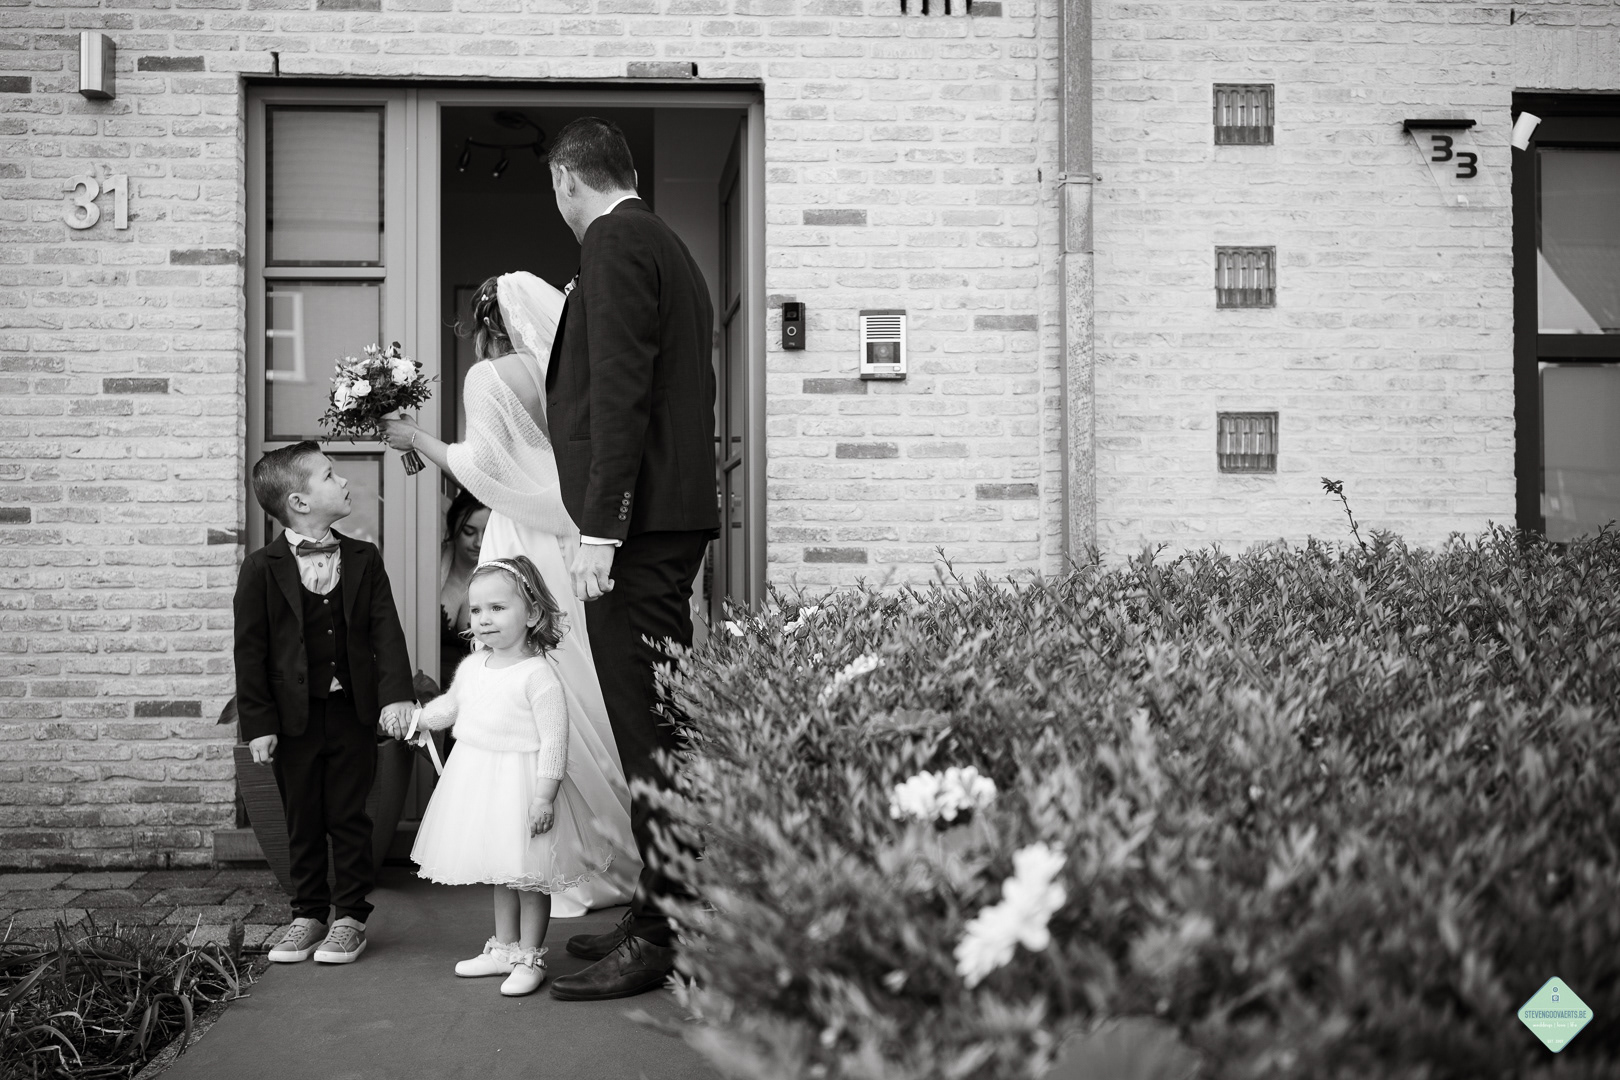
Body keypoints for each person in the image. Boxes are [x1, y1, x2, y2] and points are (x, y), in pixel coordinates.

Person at [381, 273, 639, 919]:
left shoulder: (489, 377)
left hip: (521, 537)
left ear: (487, 325)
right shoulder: (576, 374)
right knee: (585, 679)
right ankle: (629, 849)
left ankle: (559, 859)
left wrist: (416, 440)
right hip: (577, 541)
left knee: (527, 676)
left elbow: (484, 470)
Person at [540, 116, 719, 1002]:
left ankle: (666, 933)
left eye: (556, 190)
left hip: (637, 529)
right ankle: (662, 905)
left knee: (649, 729)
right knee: (660, 723)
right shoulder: (667, 245)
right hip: (664, 521)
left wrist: (601, 529)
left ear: (568, 181)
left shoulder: (613, 242)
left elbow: (619, 390)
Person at [233, 443, 417, 966]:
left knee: (349, 815)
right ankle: (308, 915)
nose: (343, 481)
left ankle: (350, 917)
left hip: (349, 712)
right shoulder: (260, 567)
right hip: (293, 720)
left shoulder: (363, 558)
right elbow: (250, 650)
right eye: (330, 475)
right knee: (303, 818)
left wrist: (396, 695)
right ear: (299, 501)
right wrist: (258, 724)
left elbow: (386, 631)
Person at [404, 556, 615, 997]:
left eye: (497, 608)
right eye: (476, 610)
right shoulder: (473, 666)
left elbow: (555, 741)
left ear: (532, 613)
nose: (484, 619)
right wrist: (420, 719)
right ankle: (503, 947)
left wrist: (543, 796)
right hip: (481, 781)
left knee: (529, 874)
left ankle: (530, 956)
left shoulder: (538, 675)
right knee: (501, 870)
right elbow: (452, 705)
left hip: (523, 784)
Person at [439, 487, 489, 692]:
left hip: (476, 693)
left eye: (487, 533)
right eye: (469, 531)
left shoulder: (502, 579)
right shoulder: (430, 567)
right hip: (425, 686)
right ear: (453, 530)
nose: (479, 542)